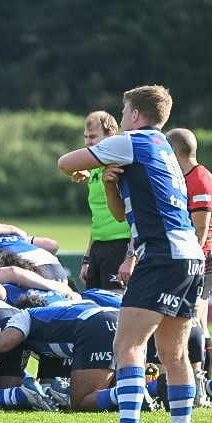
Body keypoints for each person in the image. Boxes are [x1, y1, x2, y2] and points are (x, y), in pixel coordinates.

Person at [58, 84, 203, 423]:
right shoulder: (165, 151)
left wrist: (98, 159)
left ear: (136, 116)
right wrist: (110, 183)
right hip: (188, 256)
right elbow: (122, 213)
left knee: (128, 344)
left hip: (161, 255)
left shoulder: (132, 141)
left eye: (123, 113)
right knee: (173, 352)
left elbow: (65, 163)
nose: (121, 119)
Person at [167, 127, 212, 401]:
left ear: (176, 151)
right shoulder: (186, 176)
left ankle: (202, 387)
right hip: (195, 258)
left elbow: (200, 230)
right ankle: (205, 387)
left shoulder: (199, 179)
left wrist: (188, 263)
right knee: (198, 321)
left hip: (201, 259)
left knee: (195, 322)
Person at [73, 110, 132, 291]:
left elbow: (136, 213)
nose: (88, 142)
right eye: (86, 137)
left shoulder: (121, 167)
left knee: (115, 310)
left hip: (120, 246)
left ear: (111, 136)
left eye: (93, 136)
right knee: (95, 309)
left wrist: (130, 257)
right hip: (99, 249)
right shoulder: (95, 170)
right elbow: (97, 217)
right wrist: (88, 258)